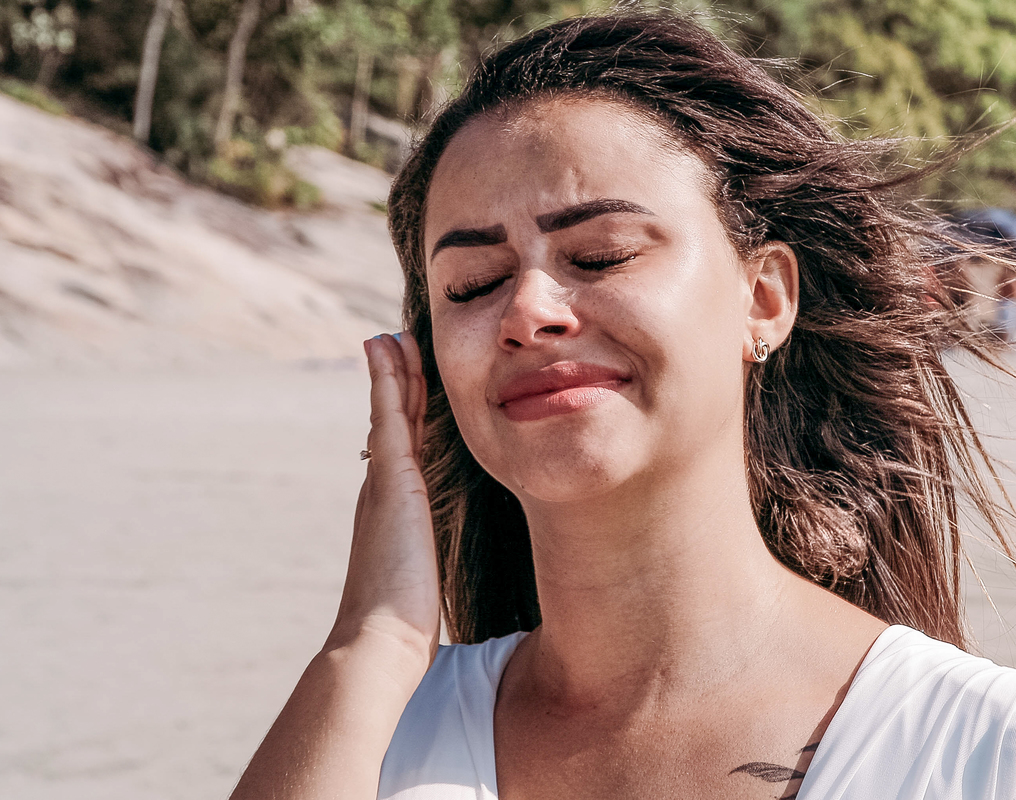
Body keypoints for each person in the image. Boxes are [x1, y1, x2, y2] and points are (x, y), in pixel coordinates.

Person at [231, 9, 1016, 800]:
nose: (527, 310)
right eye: (472, 284)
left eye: (601, 255)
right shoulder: (361, 731)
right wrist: (369, 642)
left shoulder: (975, 747)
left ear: (765, 298)